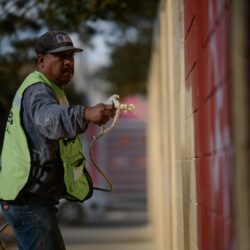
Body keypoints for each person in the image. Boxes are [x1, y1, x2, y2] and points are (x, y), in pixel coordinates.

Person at [0, 31, 115, 250]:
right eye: (60, 57)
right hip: (27, 197)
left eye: (71, 57)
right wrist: (85, 113)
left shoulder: (51, 90)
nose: (68, 62)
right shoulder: (38, 90)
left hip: (32, 196)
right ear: (41, 61)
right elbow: (49, 120)